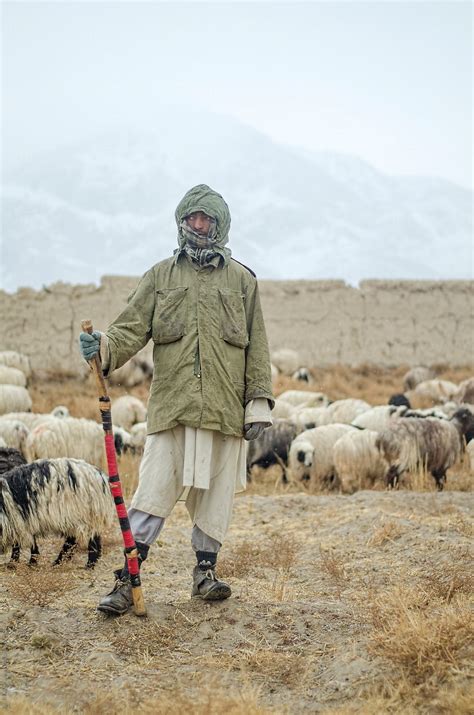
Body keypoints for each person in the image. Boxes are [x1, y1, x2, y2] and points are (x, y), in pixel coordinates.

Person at [79, 184, 274, 615]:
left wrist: (258, 402)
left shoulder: (242, 281)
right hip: (173, 408)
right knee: (151, 494)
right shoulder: (160, 276)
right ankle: (127, 583)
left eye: (206, 219)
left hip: (224, 410)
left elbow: (257, 346)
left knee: (216, 498)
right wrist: (104, 346)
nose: (198, 225)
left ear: (219, 224)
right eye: (191, 218)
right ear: (181, 222)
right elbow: (130, 327)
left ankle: (205, 575)